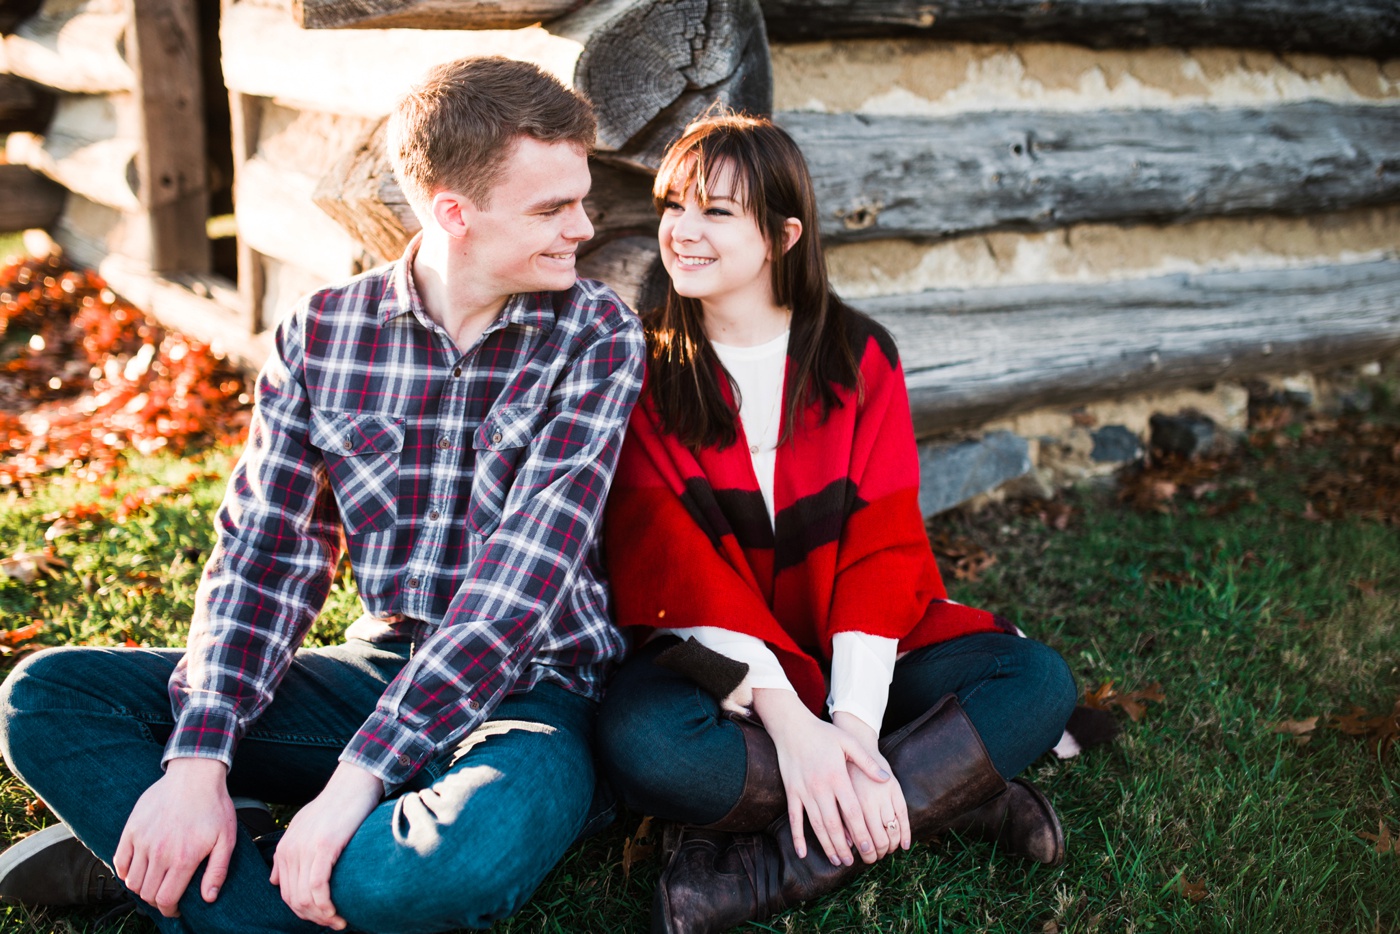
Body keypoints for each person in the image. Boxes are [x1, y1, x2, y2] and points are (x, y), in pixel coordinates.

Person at [0, 56, 643, 933]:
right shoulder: (324, 334)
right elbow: (266, 552)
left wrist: (353, 784)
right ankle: (215, 833)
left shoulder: (596, 333)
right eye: (551, 208)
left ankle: (207, 869)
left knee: (410, 878)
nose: (583, 224)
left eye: (580, 198)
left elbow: (515, 593)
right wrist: (197, 759)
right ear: (453, 212)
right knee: (48, 695)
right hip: (380, 672)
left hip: (533, 698)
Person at [597, 113, 1078, 934]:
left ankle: (764, 871)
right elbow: (678, 571)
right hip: (721, 663)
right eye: (673, 205)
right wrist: (793, 724)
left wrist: (849, 724)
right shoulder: (642, 368)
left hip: (853, 645)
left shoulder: (860, 358)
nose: (682, 231)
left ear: (783, 236)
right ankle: (953, 796)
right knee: (647, 745)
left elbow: (880, 548)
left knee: (1037, 682)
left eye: (716, 212)